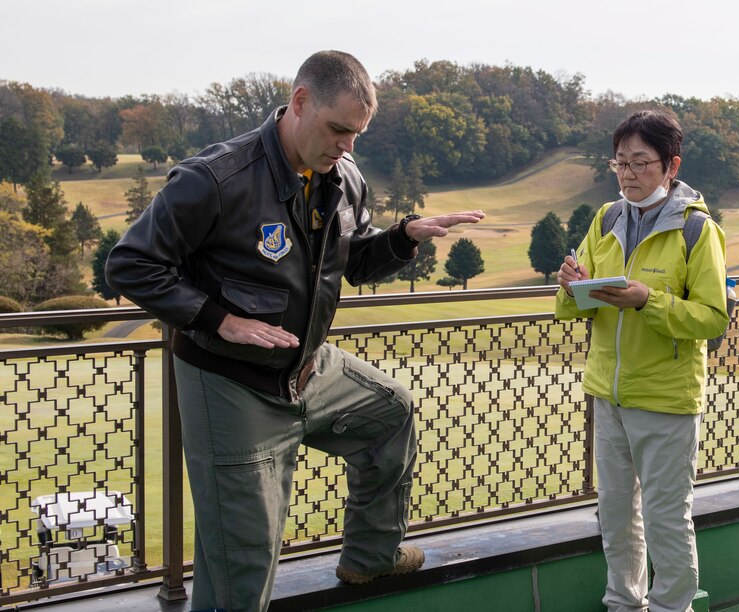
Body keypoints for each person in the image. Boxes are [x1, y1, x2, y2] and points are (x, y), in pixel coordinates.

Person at [105, 50, 485, 611]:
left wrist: (403, 237)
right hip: (229, 383)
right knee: (244, 567)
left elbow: (350, 262)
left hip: (307, 369)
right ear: (300, 102)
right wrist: (220, 320)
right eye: (338, 129)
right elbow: (131, 265)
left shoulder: (342, 177)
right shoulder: (215, 177)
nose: (347, 145)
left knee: (390, 413)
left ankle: (370, 559)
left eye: (357, 133)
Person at [554, 110, 729, 612]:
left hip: (667, 398)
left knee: (667, 517)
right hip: (608, 394)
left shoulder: (698, 231)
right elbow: (572, 306)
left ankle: (674, 607)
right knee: (614, 512)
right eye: (620, 163)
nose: (628, 173)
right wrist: (570, 286)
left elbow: (713, 317)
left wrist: (647, 301)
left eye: (640, 162)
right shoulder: (606, 218)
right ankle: (623, 603)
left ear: (671, 164)